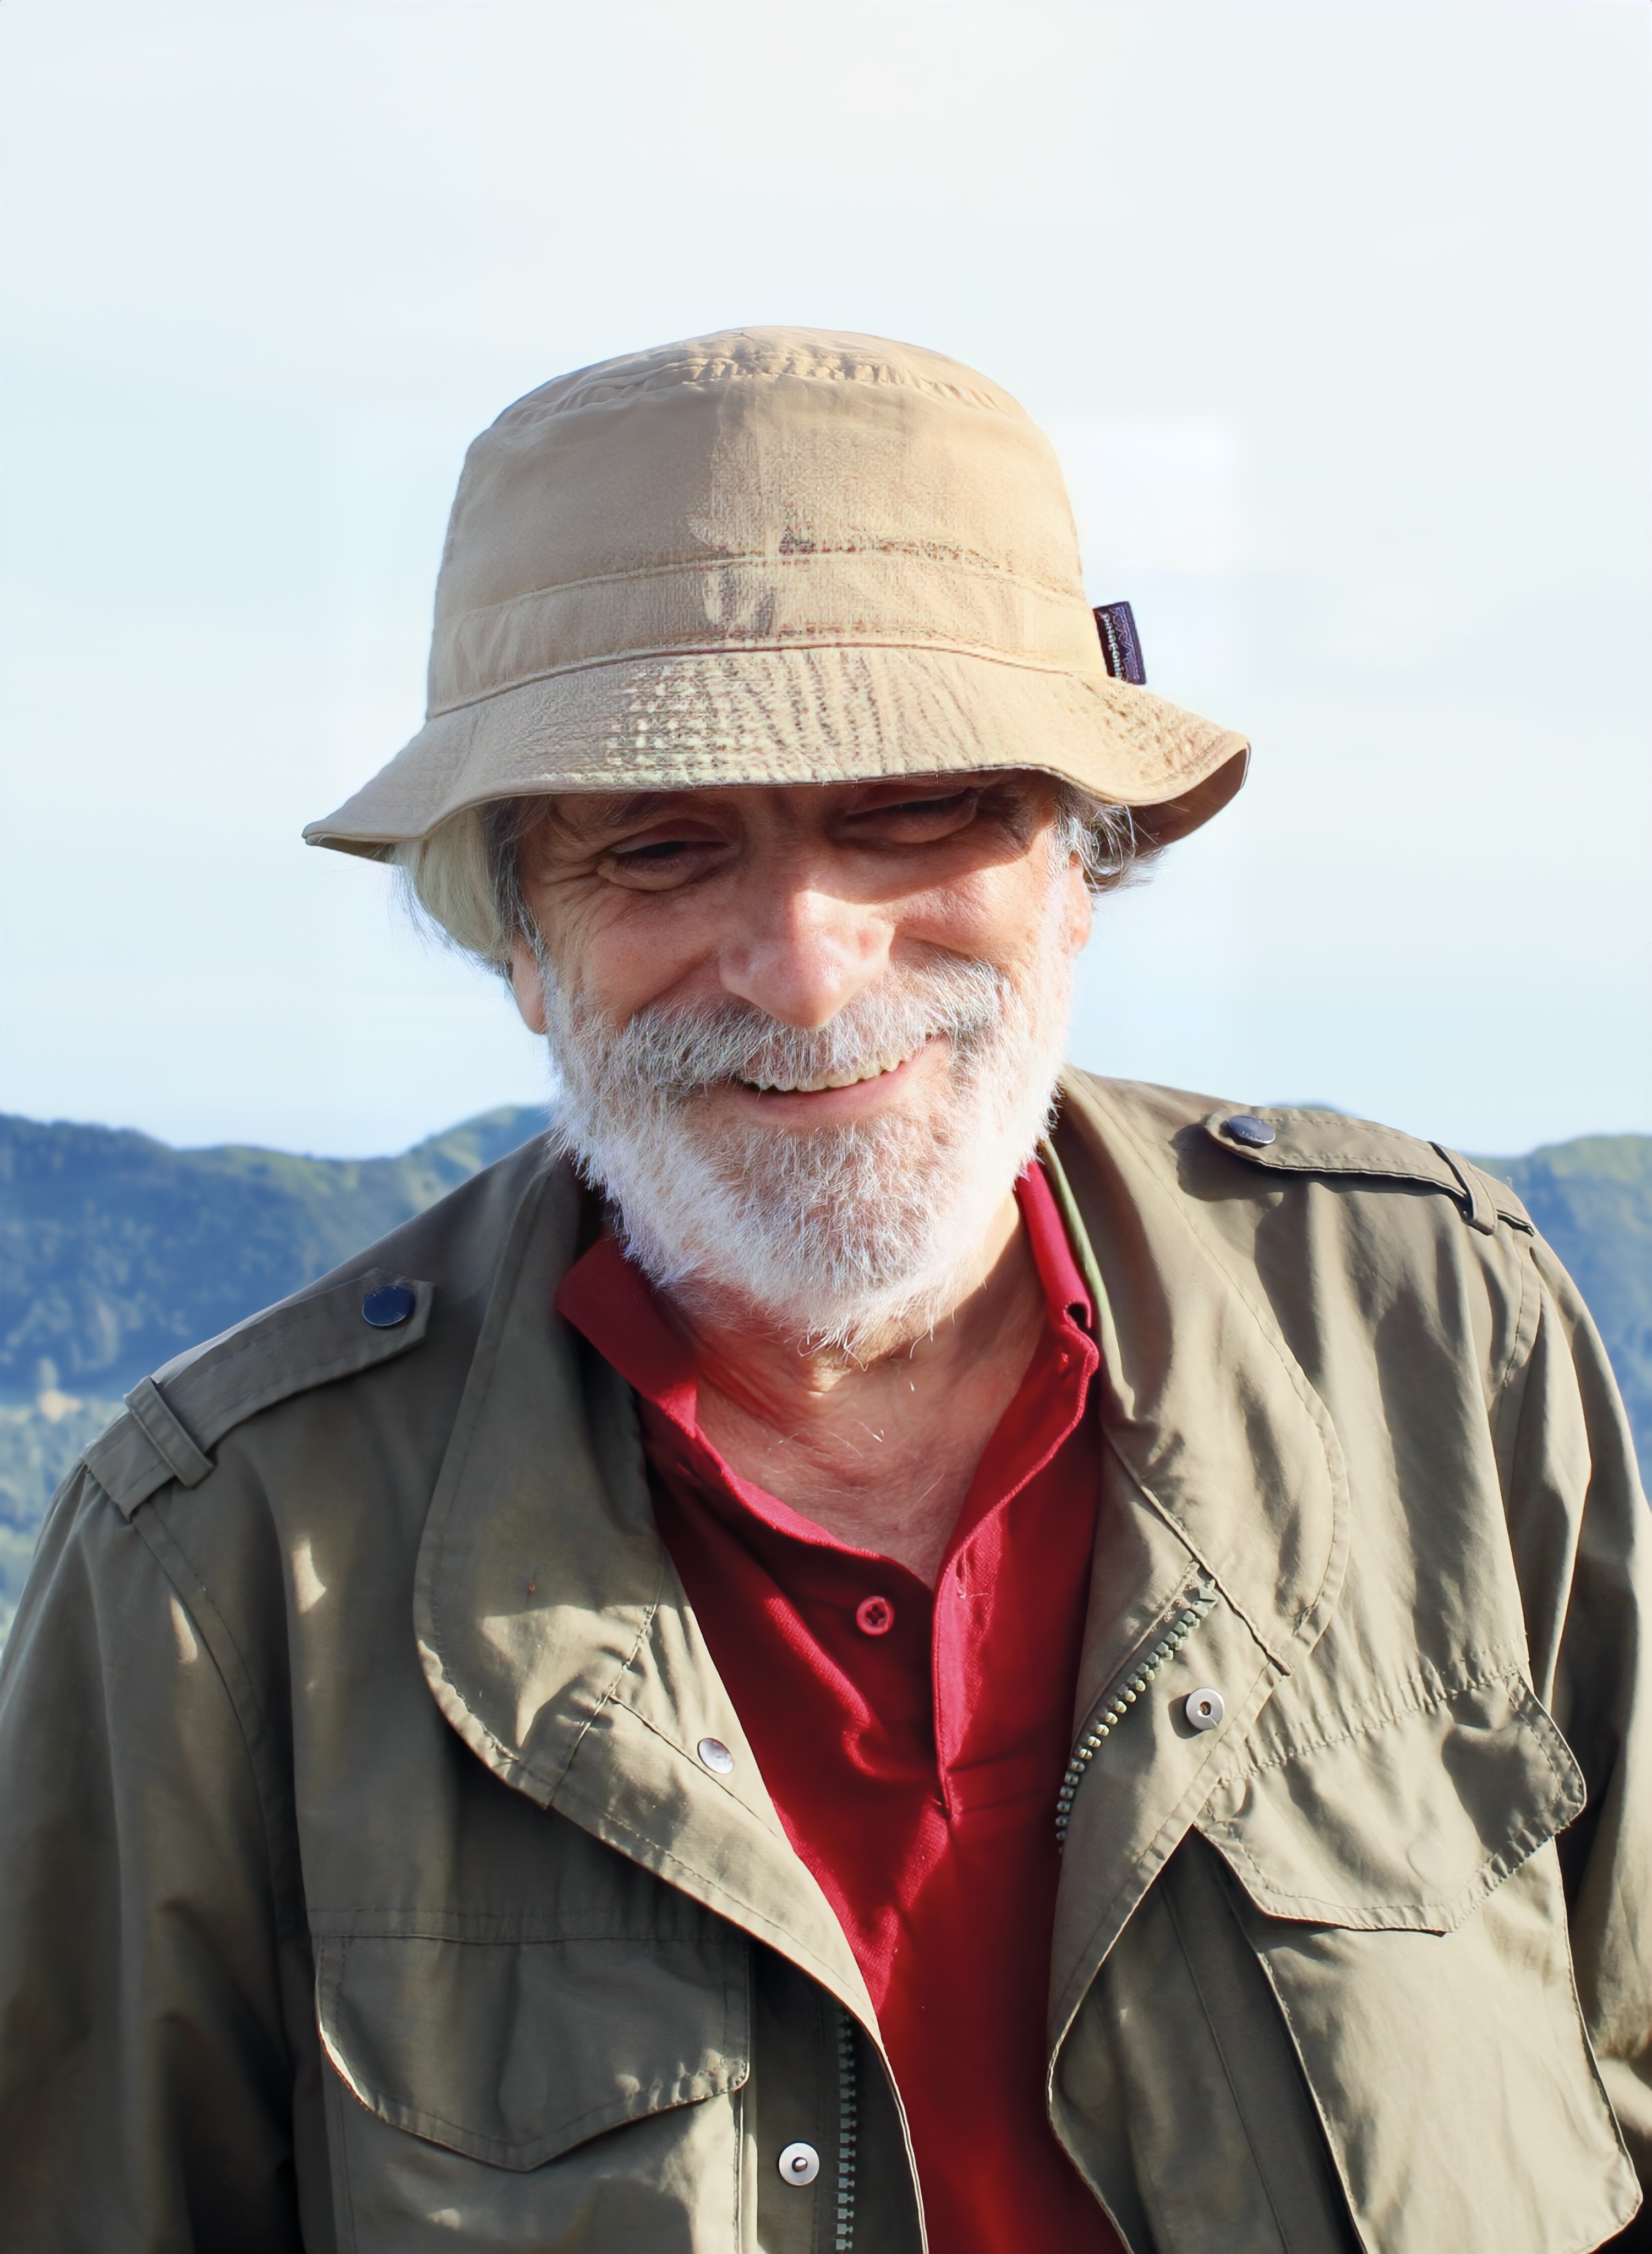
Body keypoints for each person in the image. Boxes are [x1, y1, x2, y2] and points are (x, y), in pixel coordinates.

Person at [0, 326, 1646, 2254]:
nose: (803, 967)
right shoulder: (220, 1563)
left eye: (913, 811)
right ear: (519, 945)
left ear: (1078, 867)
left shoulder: (1431, 1327)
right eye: (659, 845)